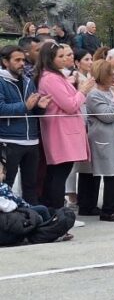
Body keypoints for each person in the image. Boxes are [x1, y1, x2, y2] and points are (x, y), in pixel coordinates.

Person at [77, 60, 114, 221]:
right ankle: (109, 210)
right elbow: (107, 116)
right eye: (111, 73)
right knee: (111, 174)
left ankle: (103, 206)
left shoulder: (112, 91)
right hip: (104, 139)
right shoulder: (94, 95)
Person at [36, 43, 89, 209]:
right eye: (60, 56)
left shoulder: (56, 76)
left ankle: (57, 214)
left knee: (59, 173)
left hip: (65, 129)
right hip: (60, 131)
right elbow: (70, 105)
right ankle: (57, 213)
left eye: (65, 55)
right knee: (58, 174)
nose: (65, 58)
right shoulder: (50, 78)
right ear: (50, 59)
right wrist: (83, 91)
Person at [0, 46, 49, 205]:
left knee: (31, 185)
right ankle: (7, 223)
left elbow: (33, 112)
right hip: (10, 140)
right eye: (17, 60)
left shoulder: (28, 81)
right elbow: (1, 109)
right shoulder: (1, 81)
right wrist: (25, 106)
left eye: (23, 60)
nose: (22, 63)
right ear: (5, 62)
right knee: (6, 183)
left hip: (32, 140)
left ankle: (34, 221)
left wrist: (40, 107)